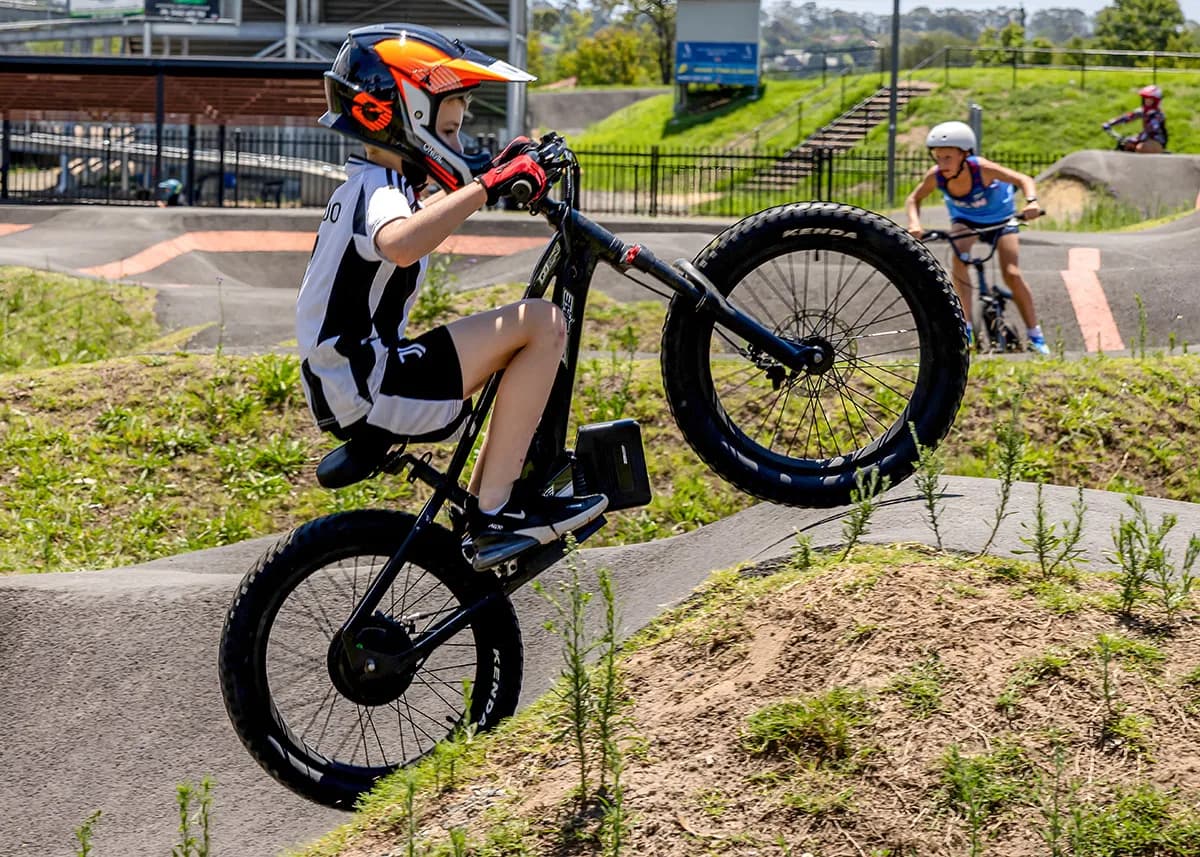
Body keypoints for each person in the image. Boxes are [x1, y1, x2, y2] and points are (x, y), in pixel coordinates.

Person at [296, 23, 607, 570]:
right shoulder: (381, 190)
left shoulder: (368, 184)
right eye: (451, 127)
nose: (458, 144)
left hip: (353, 380)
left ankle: (492, 507)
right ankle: (495, 513)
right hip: (372, 383)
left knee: (521, 338)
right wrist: (487, 185)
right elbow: (400, 243)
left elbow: (432, 205)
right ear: (410, 118)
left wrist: (495, 169)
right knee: (543, 324)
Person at [905, 120, 1049, 355]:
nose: (941, 164)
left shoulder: (981, 168)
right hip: (966, 221)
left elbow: (1024, 180)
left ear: (965, 154)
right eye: (937, 157)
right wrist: (914, 223)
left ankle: (1036, 336)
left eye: (948, 157)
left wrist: (1032, 201)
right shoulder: (937, 176)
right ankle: (967, 329)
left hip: (1002, 219)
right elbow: (914, 199)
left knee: (1011, 273)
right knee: (958, 259)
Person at [1104, 84, 1167, 154]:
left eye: (1150, 99)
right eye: (1145, 99)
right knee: (1126, 145)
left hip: (1155, 142)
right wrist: (1110, 123)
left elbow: (1151, 130)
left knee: (1141, 148)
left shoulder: (1157, 115)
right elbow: (1128, 117)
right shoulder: (1143, 111)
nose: (1147, 101)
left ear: (1156, 101)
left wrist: (1137, 139)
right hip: (1144, 139)